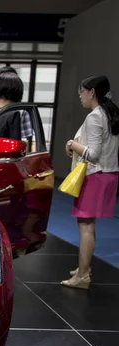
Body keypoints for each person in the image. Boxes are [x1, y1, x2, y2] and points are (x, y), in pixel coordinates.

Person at [62, 75, 119, 289]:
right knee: (88, 224)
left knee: (85, 225)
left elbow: (93, 154)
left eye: (82, 91)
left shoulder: (95, 117)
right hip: (108, 175)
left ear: (92, 92)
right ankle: (83, 268)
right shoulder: (109, 113)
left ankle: (83, 275)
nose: (79, 95)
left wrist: (72, 144)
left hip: (96, 175)